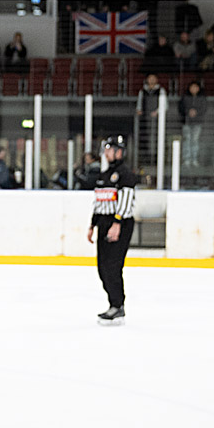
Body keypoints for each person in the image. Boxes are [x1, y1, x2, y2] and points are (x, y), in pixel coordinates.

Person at [87, 135, 136, 325]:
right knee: (102, 268)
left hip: (119, 224)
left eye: (109, 149)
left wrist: (117, 223)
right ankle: (114, 304)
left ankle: (118, 306)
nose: (105, 153)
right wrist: (93, 224)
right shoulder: (104, 175)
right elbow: (99, 201)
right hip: (104, 223)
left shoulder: (125, 174)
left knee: (113, 267)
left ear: (118, 151)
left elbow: (126, 200)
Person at [179, 80, 207, 167]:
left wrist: (196, 112)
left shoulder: (202, 98)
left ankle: (194, 159)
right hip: (186, 122)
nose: (194, 89)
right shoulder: (185, 97)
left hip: (197, 122)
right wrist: (188, 112)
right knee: (186, 140)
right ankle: (186, 159)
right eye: (192, 87)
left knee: (195, 141)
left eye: (196, 87)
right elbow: (181, 108)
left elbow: (204, 108)